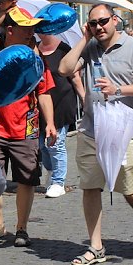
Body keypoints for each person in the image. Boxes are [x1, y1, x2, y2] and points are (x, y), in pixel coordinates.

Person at [59, 4, 133, 265]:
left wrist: (119, 89)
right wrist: (83, 39)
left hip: (124, 131)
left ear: (115, 20)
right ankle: (95, 246)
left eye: (103, 21)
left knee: (128, 189)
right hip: (92, 130)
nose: (99, 27)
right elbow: (64, 69)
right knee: (91, 187)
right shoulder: (90, 47)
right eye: (93, 24)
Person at [0, 6, 57, 249]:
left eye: (32, 29)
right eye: (25, 29)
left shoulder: (34, 58)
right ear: (10, 30)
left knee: (27, 180)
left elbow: (44, 93)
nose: (31, 33)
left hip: (25, 128)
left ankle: (22, 228)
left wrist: (50, 123)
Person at [37, 32, 84, 198]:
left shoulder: (64, 49)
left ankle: (58, 182)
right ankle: (51, 172)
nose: (40, 31)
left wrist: (84, 99)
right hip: (41, 104)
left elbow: (75, 77)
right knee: (42, 145)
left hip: (62, 102)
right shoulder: (35, 49)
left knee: (56, 144)